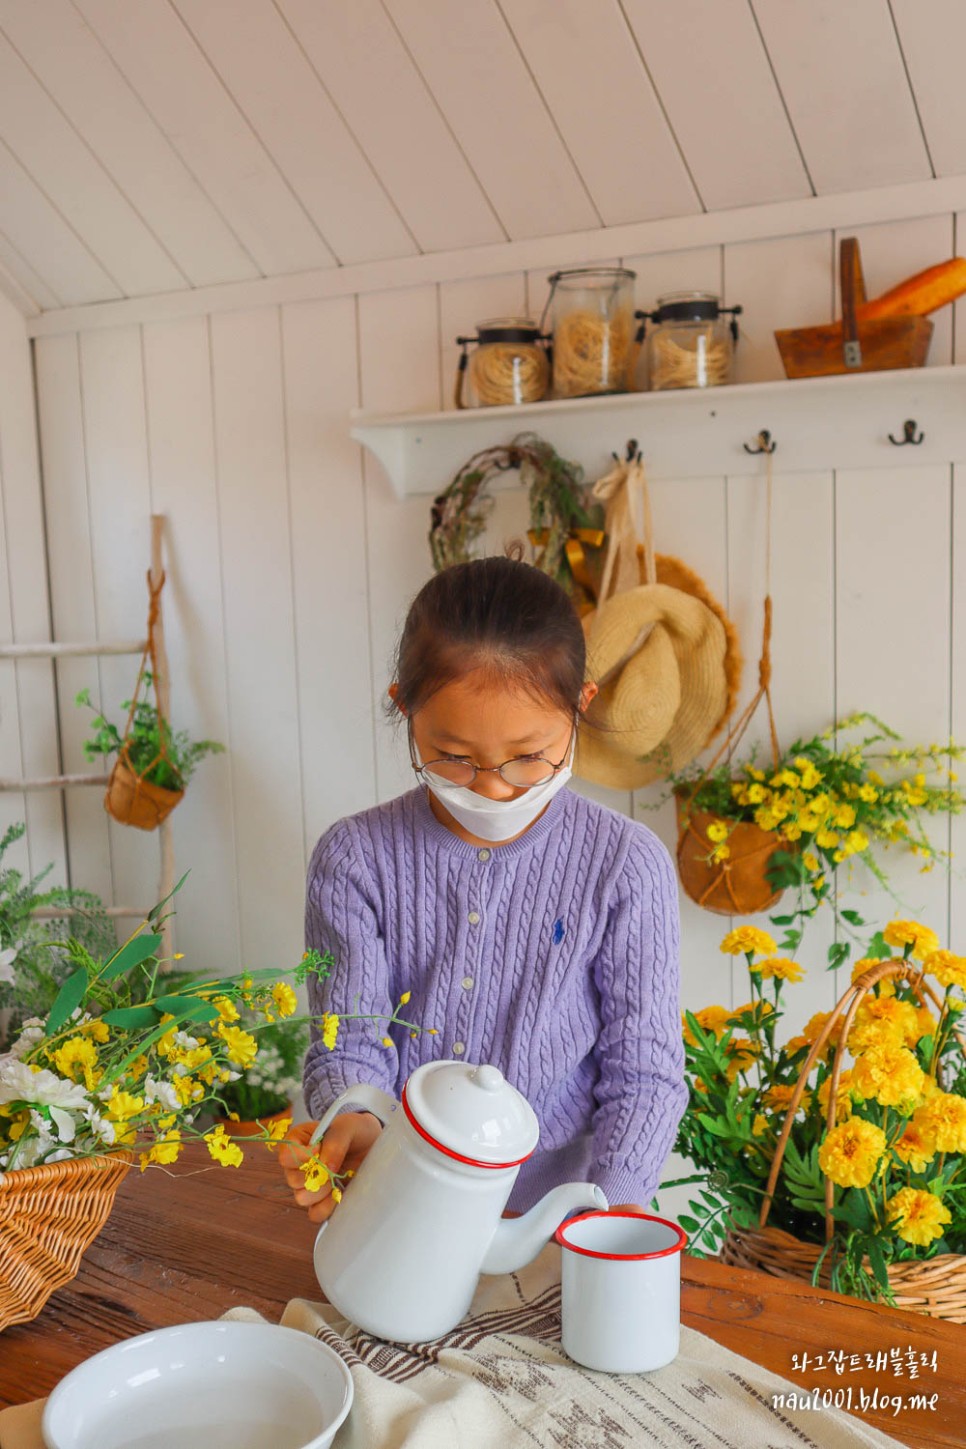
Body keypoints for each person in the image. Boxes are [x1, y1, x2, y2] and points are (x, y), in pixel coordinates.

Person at [280, 553, 686, 1224]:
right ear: (404, 708)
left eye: (529, 756)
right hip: (398, 1200)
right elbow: (349, 1035)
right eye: (455, 756)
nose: (494, 786)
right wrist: (354, 1116)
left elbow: (642, 1068)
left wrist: (615, 1203)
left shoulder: (625, 863)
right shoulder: (355, 857)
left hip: (569, 1216)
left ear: (580, 706)